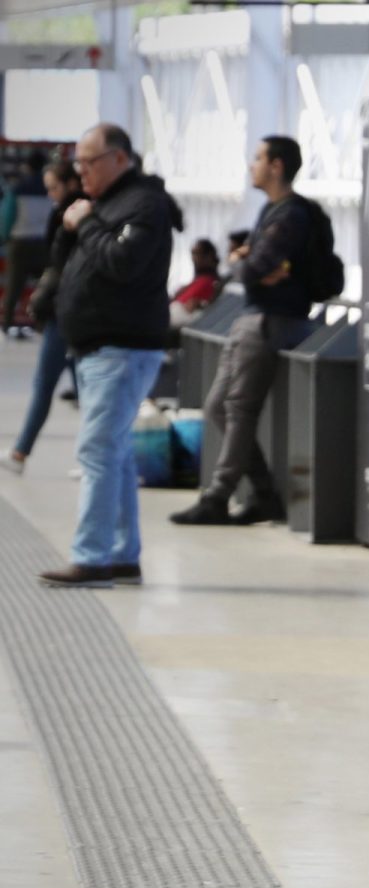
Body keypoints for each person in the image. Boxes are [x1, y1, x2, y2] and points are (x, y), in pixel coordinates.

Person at [40, 124, 179, 588]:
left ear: (119, 158)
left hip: (121, 347)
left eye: (88, 161)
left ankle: (92, 556)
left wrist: (89, 223)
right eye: (77, 162)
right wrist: (72, 223)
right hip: (100, 347)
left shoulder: (144, 203)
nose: (80, 171)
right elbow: (70, 258)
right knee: (114, 454)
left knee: (97, 451)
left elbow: (122, 262)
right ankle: (121, 553)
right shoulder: (104, 203)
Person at [170, 137, 316, 526]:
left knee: (237, 407)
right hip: (252, 314)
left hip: (270, 319)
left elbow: (251, 268)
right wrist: (247, 262)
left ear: (277, 166)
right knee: (219, 405)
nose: (251, 165)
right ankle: (264, 493)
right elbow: (253, 268)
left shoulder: (290, 217)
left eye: (258, 158)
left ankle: (219, 495)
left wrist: (243, 261)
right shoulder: (272, 211)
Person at [3, 157, 82, 475]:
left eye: (54, 188)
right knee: (82, 386)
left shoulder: (70, 214)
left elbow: (7, 217)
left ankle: (21, 451)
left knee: (47, 382)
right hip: (75, 309)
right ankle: (88, 458)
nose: (49, 193)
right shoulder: (85, 210)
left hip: (64, 308)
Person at [1, 152, 52, 337]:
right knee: (45, 286)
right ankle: (42, 323)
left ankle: (7, 323)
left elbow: (7, 217)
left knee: (14, 287)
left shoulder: (18, 188)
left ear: (27, 166)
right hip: (43, 243)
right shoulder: (51, 188)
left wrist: (5, 236)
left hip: (20, 242)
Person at [170, 238, 223, 327]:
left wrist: (202, 304)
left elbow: (215, 306)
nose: (194, 258)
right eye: (193, 254)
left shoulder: (215, 284)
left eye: (197, 254)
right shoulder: (193, 282)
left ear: (209, 256)